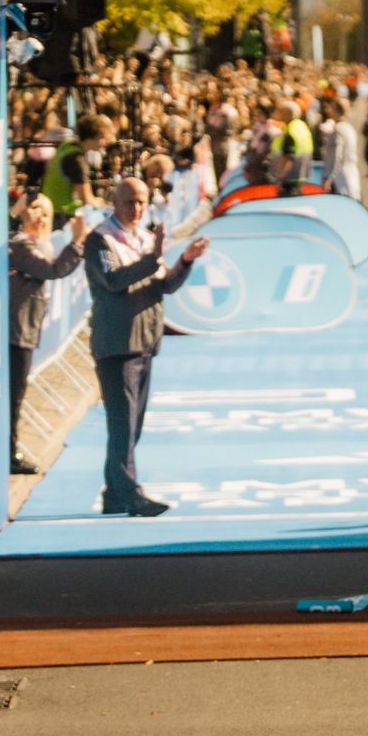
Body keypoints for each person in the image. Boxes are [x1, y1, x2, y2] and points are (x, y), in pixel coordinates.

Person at [85, 178, 211, 516]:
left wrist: (184, 259)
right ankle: (131, 494)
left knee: (132, 425)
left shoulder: (142, 238)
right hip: (117, 342)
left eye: (141, 202)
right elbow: (113, 281)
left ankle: (114, 493)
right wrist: (151, 258)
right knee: (122, 424)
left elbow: (164, 285)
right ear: (115, 201)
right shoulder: (100, 240)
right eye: (129, 202)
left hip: (144, 341)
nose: (136, 209)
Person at [6, 196, 88, 474]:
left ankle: (10, 451)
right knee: (13, 395)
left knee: (16, 393)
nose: (39, 215)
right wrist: (77, 243)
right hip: (15, 332)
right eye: (33, 209)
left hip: (24, 329)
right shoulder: (20, 246)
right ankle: (9, 455)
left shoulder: (36, 244)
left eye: (44, 210)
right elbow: (53, 270)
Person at [41, 114, 113, 218]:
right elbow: (86, 199)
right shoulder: (77, 160)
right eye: (104, 138)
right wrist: (104, 204)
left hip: (52, 211)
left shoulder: (67, 145)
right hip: (63, 216)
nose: (106, 143)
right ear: (96, 136)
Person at [317, 96, 361, 200]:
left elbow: (338, 156)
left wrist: (330, 178)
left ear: (335, 110)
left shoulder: (338, 129)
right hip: (350, 171)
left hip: (340, 175)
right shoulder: (349, 128)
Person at [269, 99, 314, 194]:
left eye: (280, 111)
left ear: (287, 113)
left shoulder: (291, 130)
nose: (278, 114)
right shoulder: (301, 126)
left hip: (289, 179)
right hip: (300, 175)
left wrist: (280, 176)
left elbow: (289, 156)